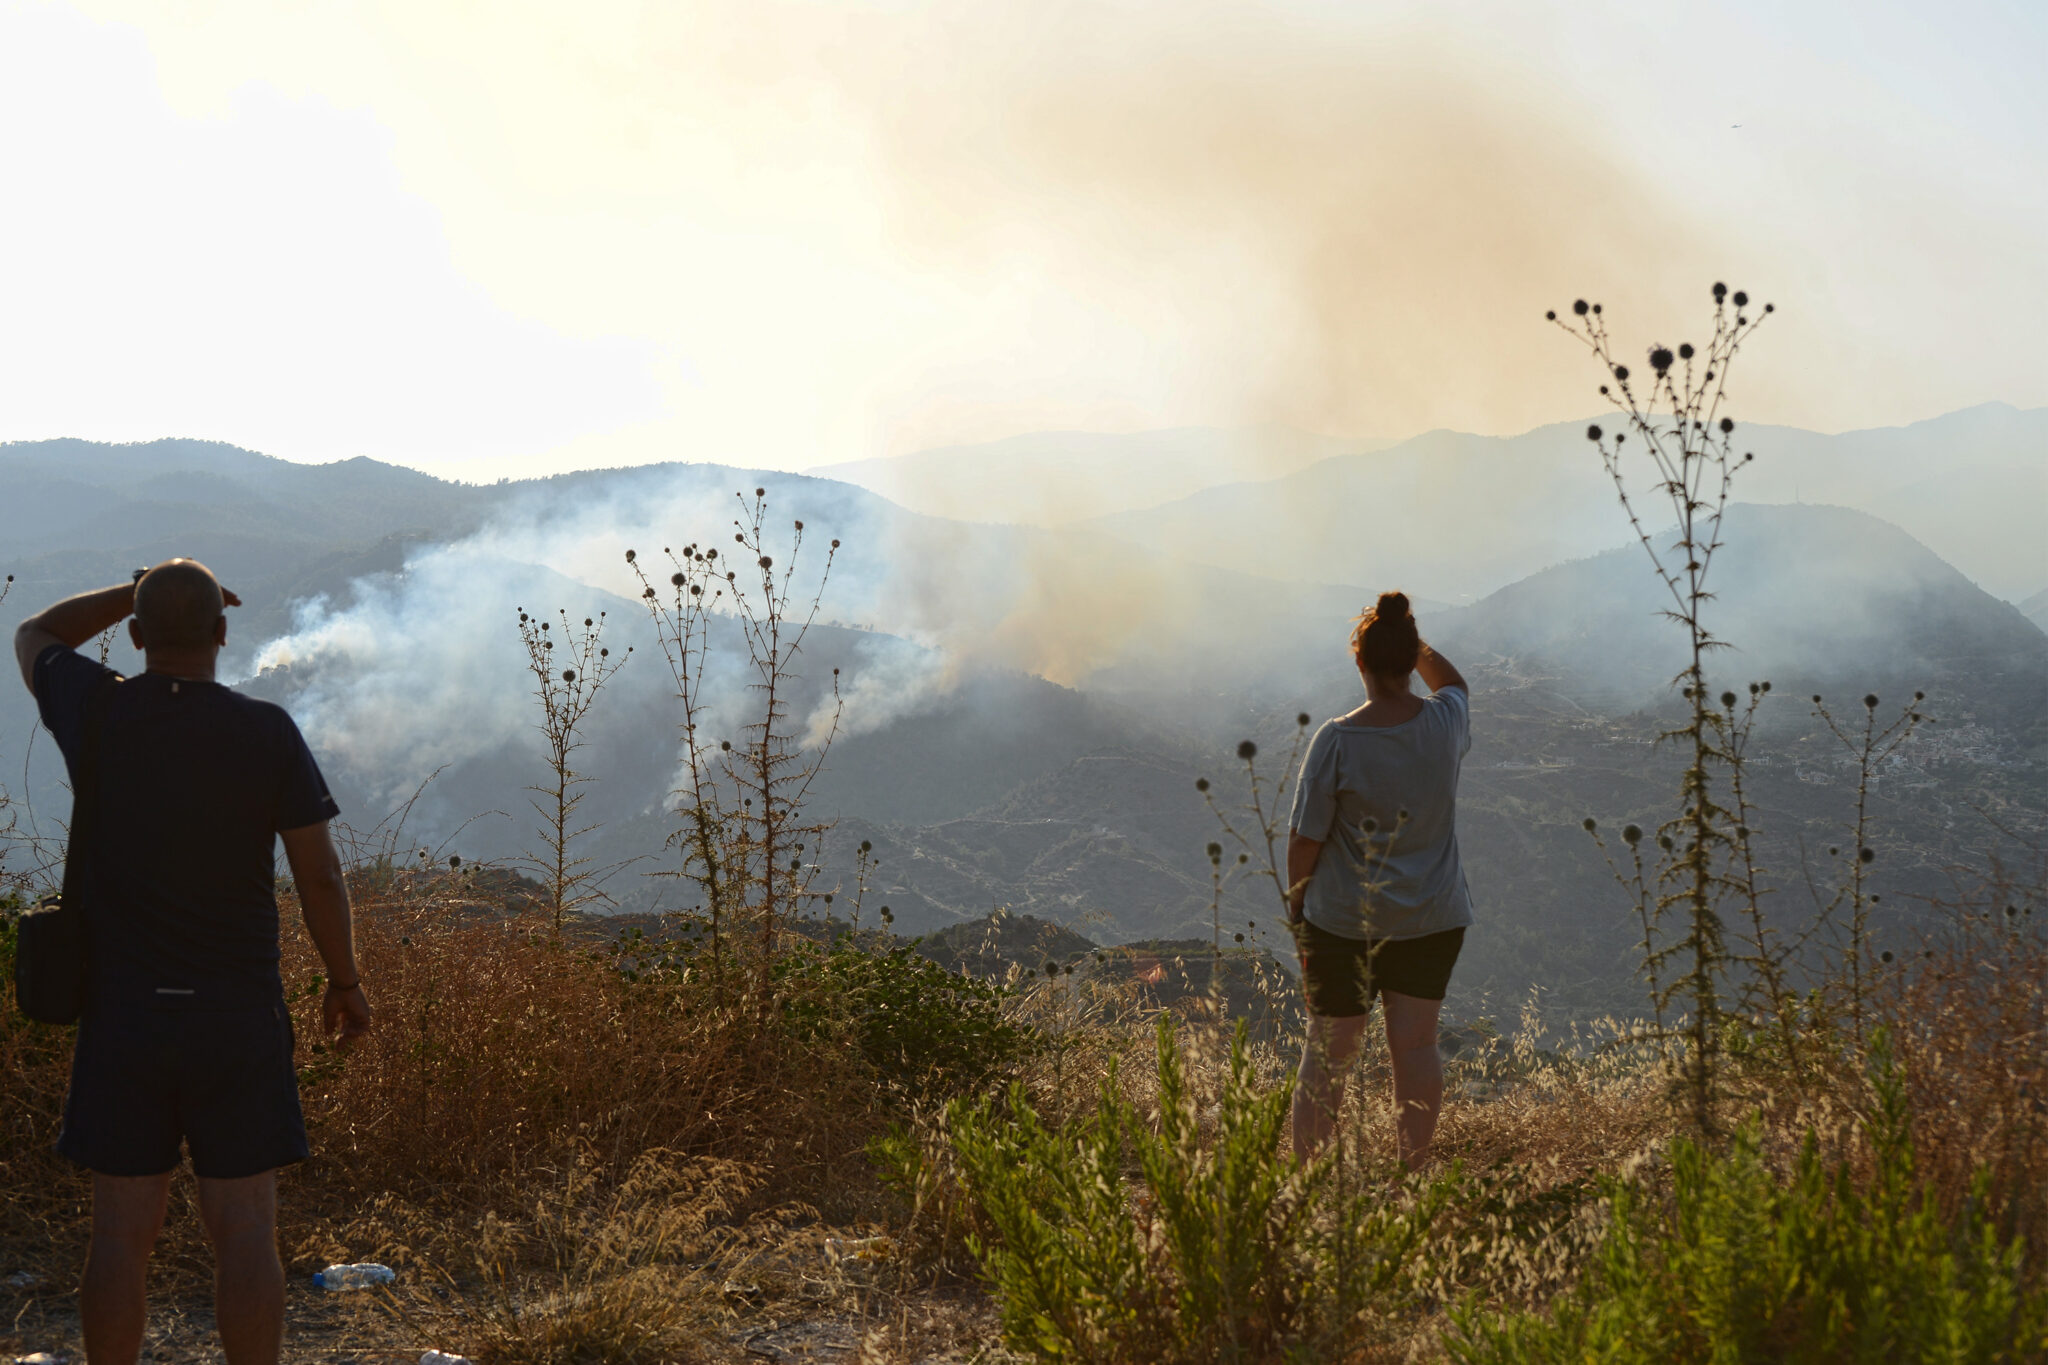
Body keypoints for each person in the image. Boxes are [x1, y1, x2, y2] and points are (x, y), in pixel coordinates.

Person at [12, 560, 371, 1365]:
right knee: (245, 1231)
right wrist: (343, 981)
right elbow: (320, 873)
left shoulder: (97, 708)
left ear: (135, 638)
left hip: (124, 1014)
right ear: (222, 632)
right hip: (236, 1014)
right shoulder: (266, 730)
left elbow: (34, 632)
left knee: (119, 1237)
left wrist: (129, 587)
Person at [1285, 591, 1471, 1168]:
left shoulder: (1337, 741)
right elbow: (1454, 683)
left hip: (1343, 924)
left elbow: (1305, 841)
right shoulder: (1444, 723)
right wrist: (1415, 646)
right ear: (1410, 656)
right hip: (1432, 918)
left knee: (1329, 1053)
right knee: (1416, 1047)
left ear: (1358, 662)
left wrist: (1297, 910)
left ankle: (1306, 1183)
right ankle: (1410, 1177)